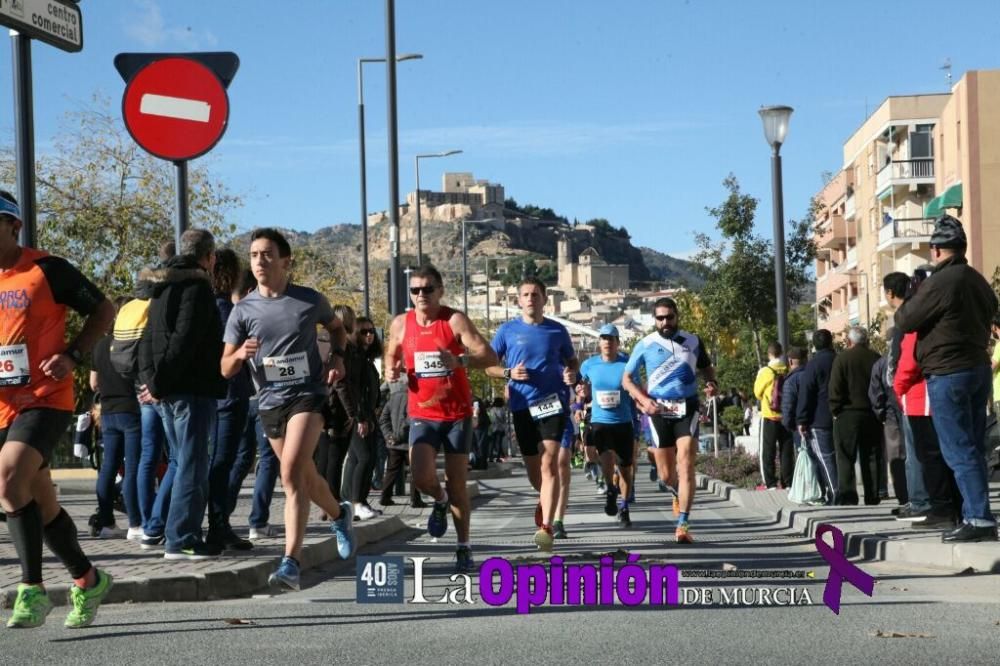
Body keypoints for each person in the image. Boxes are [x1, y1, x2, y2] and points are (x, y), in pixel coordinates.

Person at [0, 190, 116, 628]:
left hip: (46, 398)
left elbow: (104, 309)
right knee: (41, 504)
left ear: (14, 227)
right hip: (1, 404)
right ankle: (89, 579)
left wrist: (73, 353)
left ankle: (31, 589)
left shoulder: (47, 269)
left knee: (9, 481)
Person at [221, 228, 356, 589]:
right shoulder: (243, 310)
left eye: (266, 254)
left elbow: (338, 329)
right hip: (269, 402)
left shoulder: (309, 300)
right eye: (253, 255)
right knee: (305, 476)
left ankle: (290, 562)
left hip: (308, 395)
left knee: (291, 472)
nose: (259, 261)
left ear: (285, 261)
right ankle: (339, 513)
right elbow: (225, 367)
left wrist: (338, 358)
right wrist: (239, 354)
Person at [384, 265, 498, 571]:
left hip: (456, 414)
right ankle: (439, 499)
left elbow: (489, 356)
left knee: (458, 482)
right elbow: (391, 352)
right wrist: (390, 368)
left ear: (440, 290)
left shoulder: (454, 320)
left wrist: (459, 360)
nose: (421, 295)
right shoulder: (401, 323)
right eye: (415, 290)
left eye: (427, 289)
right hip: (422, 413)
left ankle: (463, 546)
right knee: (420, 477)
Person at [894, 215, 998, 542]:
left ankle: (979, 519)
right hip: (977, 368)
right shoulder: (977, 280)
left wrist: (916, 292)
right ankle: (975, 514)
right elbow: (993, 308)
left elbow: (906, 318)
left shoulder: (941, 281)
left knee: (958, 449)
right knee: (972, 447)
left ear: (936, 250)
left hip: (948, 371)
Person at [137, 229, 227, 559]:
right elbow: (185, 340)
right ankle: (183, 537)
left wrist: (152, 381)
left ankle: (172, 531)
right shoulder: (198, 287)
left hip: (169, 391)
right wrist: (160, 383)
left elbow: (147, 338)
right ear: (210, 257)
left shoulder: (162, 287)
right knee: (192, 465)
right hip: (191, 390)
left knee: (182, 461)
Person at [486, 277, 577, 552]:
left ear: (544, 299)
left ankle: (546, 528)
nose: (530, 299)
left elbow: (572, 360)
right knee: (534, 470)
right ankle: (544, 499)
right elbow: (488, 366)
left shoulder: (557, 331)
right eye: (525, 294)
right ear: (518, 300)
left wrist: (572, 371)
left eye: (535, 294)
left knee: (549, 464)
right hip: (522, 406)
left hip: (552, 402)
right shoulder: (507, 331)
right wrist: (508, 373)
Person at [622, 297, 718, 544]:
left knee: (685, 462)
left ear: (677, 316)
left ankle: (683, 524)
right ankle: (675, 492)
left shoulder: (693, 341)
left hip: (687, 408)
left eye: (669, 317)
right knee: (666, 475)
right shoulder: (645, 344)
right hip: (658, 412)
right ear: (655, 320)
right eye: (660, 318)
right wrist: (643, 401)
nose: (665, 322)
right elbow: (627, 379)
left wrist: (711, 383)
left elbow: (707, 368)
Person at [206, 248, 253, 551]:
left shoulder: (207, 305)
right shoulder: (225, 310)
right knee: (224, 461)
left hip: (215, 394)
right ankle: (218, 525)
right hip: (230, 393)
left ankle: (219, 523)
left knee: (225, 459)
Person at [883, 272, 931, 522]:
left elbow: (903, 361)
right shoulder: (914, 315)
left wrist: (898, 388)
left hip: (912, 394)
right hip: (914, 393)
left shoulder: (906, 319)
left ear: (890, 293)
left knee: (915, 453)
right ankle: (920, 500)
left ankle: (920, 501)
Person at [580, 324, 636, 528]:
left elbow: (635, 387)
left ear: (617, 342)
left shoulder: (627, 364)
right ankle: (611, 488)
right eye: (603, 338)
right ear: (599, 342)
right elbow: (581, 386)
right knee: (606, 460)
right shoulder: (589, 365)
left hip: (623, 422)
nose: (607, 342)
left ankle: (624, 505)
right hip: (600, 421)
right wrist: (579, 398)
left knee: (626, 468)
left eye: (611, 339)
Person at [828, 326, 882, 506]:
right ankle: (872, 495)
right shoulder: (876, 358)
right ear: (866, 341)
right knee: (872, 456)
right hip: (871, 414)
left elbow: (835, 388)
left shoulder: (841, 359)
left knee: (845, 456)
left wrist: (835, 410)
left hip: (847, 414)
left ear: (849, 341)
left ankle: (848, 496)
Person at [345, 315, 382, 520]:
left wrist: (374, 409)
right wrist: (359, 417)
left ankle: (361, 501)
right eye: (364, 332)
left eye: (371, 331)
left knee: (368, 458)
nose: (369, 335)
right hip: (358, 416)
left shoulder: (366, 358)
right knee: (364, 457)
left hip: (368, 414)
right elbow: (353, 389)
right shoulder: (354, 357)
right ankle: (356, 502)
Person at [796, 329, 838, 505]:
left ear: (814, 345)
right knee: (838, 458)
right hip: (840, 416)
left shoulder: (813, 365)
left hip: (819, 419)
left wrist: (801, 419)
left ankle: (836, 493)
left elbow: (806, 393)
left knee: (825, 457)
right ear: (831, 342)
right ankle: (843, 491)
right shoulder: (839, 359)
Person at [869, 330, 907, 508]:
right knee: (913, 454)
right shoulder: (906, 358)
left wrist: (881, 413)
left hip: (891, 415)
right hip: (908, 411)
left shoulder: (880, 364)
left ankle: (903, 496)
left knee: (896, 455)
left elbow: (875, 394)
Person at [377, 378, 425, 507]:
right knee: (414, 471)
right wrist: (397, 437)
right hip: (409, 442)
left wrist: (389, 436)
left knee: (391, 471)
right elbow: (408, 422)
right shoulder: (413, 399)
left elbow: (383, 420)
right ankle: (415, 499)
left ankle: (385, 497)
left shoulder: (392, 398)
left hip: (394, 443)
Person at [753, 342, 793, 489]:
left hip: (769, 415)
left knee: (767, 451)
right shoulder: (787, 369)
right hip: (786, 416)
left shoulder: (765, 371)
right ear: (782, 353)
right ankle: (787, 482)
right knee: (786, 451)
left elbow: (757, 393)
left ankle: (770, 483)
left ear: (769, 354)